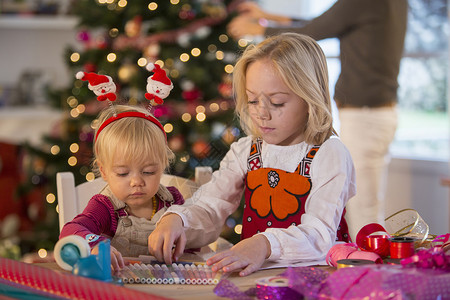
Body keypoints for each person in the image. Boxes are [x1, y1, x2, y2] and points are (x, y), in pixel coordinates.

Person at [148, 33, 356, 276]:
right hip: (255, 279)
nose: (262, 114)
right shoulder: (247, 150)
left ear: (310, 98)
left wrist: (264, 244)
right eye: (253, 100)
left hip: (315, 279)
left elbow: (319, 234)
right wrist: (178, 220)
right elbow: (211, 205)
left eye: (277, 102)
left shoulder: (329, 153)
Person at [227, 0, 408, 240]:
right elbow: (321, 24)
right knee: (369, 207)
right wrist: (266, 15)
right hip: (377, 114)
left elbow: (311, 33)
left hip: (365, 115)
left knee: (363, 212)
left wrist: (260, 29)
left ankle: (364, 274)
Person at [59, 104, 184, 271]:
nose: (136, 182)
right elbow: (70, 230)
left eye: (149, 172)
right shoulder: (105, 206)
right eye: (123, 173)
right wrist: (96, 246)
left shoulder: (173, 200)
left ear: (162, 166)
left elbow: (192, 244)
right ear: (103, 171)